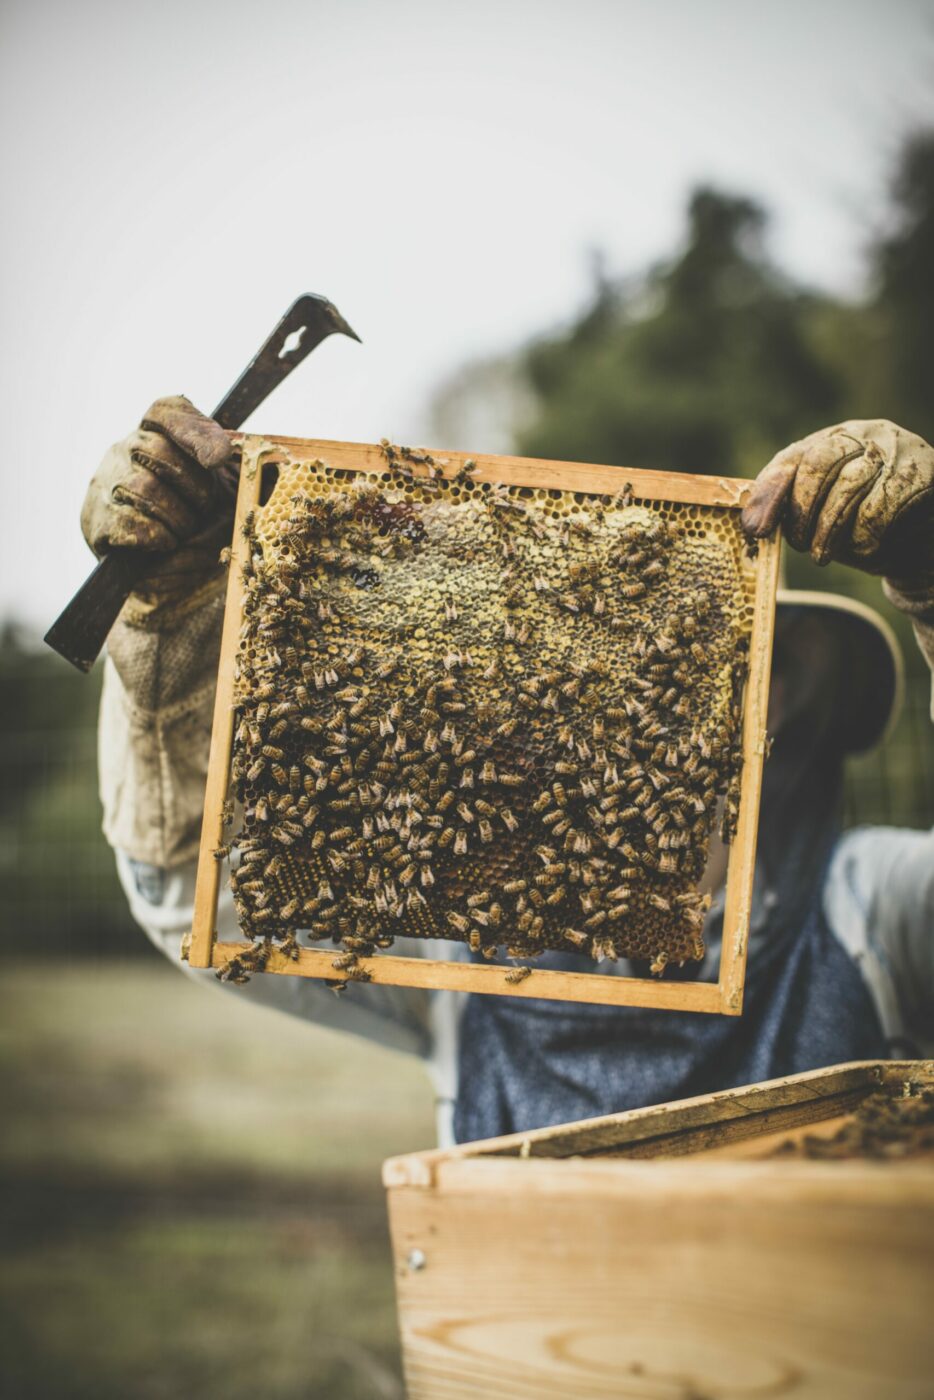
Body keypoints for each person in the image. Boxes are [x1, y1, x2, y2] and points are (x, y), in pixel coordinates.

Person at [82, 401, 934, 1145]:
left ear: (778, 697)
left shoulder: (876, 907)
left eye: (693, 646)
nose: (639, 678)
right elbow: (181, 885)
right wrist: (170, 632)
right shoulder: (457, 932)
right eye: (602, 648)